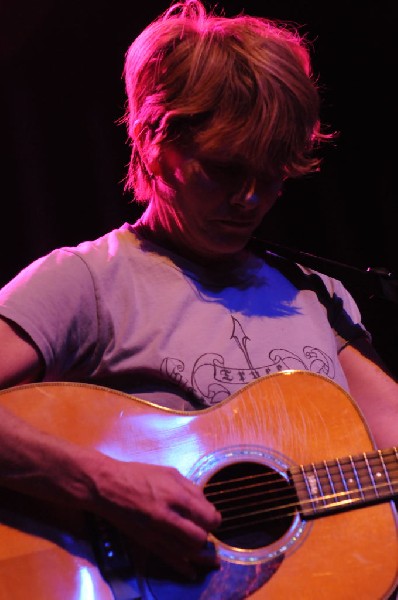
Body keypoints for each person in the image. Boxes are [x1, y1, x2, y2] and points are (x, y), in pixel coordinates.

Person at [0, 0, 397, 596]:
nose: (251, 199)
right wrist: (105, 484)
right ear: (154, 137)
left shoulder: (319, 298)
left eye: (273, 174)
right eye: (226, 169)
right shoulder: (85, 281)